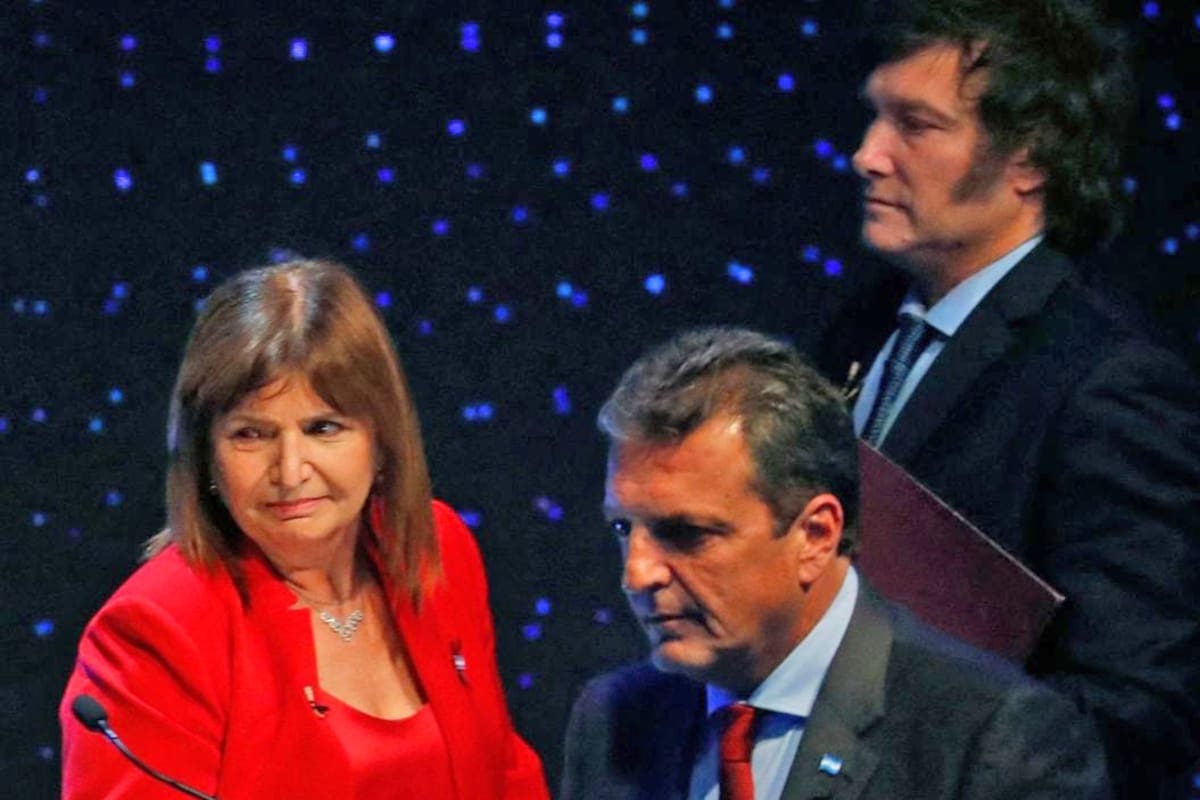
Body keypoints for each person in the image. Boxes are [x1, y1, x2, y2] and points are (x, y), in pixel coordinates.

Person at [815, 1, 1200, 796]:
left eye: (915, 125)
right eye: (874, 117)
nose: (866, 155)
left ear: (1030, 159)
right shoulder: (859, 329)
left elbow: (1135, 715)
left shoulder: (1108, 384)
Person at [59, 260, 549, 799]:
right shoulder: (158, 629)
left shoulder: (435, 547)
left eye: (323, 427)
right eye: (251, 434)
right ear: (206, 457)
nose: (290, 472)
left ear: (381, 438)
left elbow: (505, 772)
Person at [562, 327, 1110, 800]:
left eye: (687, 534)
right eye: (623, 529)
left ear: (816, 535)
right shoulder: (613, 722)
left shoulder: (993, 738)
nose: (636, 575)